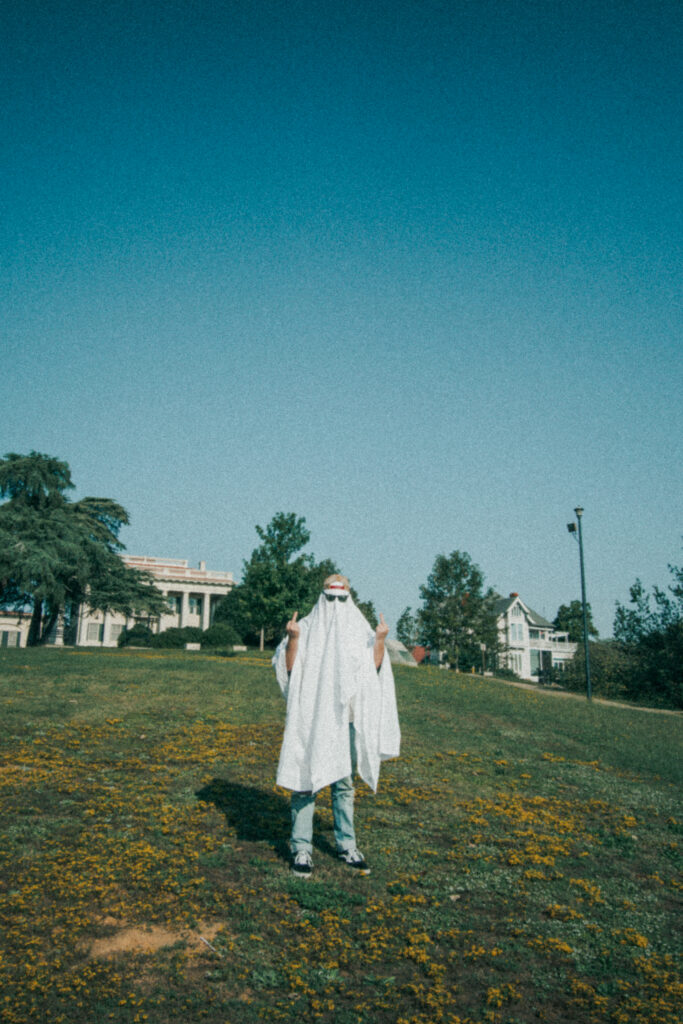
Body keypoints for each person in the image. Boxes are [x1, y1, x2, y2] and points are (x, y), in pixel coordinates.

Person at [272, 574, 401, 877]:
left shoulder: (360, 630)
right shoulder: (305, 627)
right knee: (305, 781)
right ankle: (301, 847)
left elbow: (375, 670)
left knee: (343, 785)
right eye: (330, 597)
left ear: (349, 598)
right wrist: (293, 639)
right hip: (313, 717)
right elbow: (289, 671)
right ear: (322, 597)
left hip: (346, 720)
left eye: (341, 597)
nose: (335, 603)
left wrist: (380, 640)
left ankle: (347, 845)